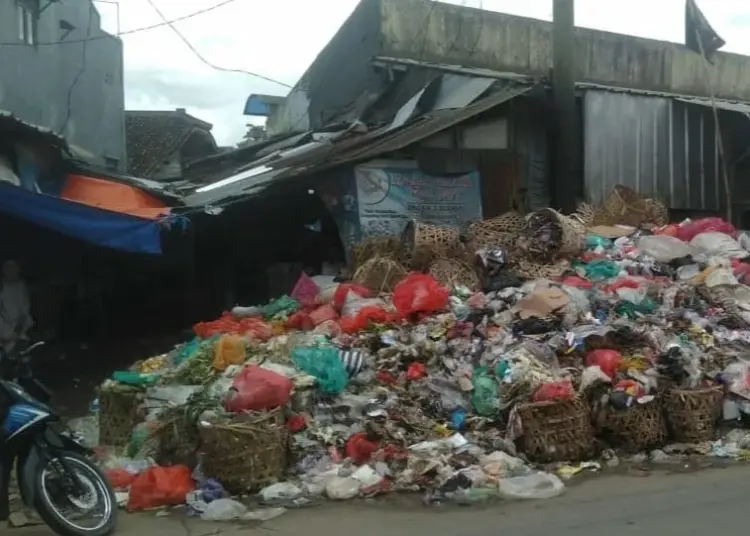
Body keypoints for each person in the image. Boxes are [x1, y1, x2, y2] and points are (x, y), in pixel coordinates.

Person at [0, 260, 33, 351]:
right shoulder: (1, 286)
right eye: (8, 268)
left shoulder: (21, 286)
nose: (11, 271)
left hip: (21, 331)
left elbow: (25, 310)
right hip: (4, 331)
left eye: (14, 268)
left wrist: (18, 329)